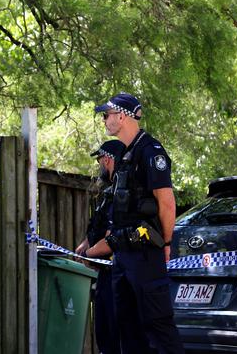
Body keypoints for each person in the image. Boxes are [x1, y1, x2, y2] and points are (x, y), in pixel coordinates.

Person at [87, 92, 184, 354]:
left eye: (107, 115)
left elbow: (166, 203)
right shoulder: (126, 155)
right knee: (127, 329)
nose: (105, 120)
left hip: (145, 254)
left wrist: (165, 243)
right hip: (123, 256)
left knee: (158, 327)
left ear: (122, 116)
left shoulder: (150, 151)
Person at [75, 140, 124, 354]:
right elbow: (98, 225)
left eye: (100, 160)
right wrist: (85, 244)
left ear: (108, 159)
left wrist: (89, 254)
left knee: (114, 335)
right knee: (103, 333)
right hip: (104, 275)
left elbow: (111, 239)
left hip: (117, 274)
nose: (99, 165)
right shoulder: (108, 192)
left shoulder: (121, 192)